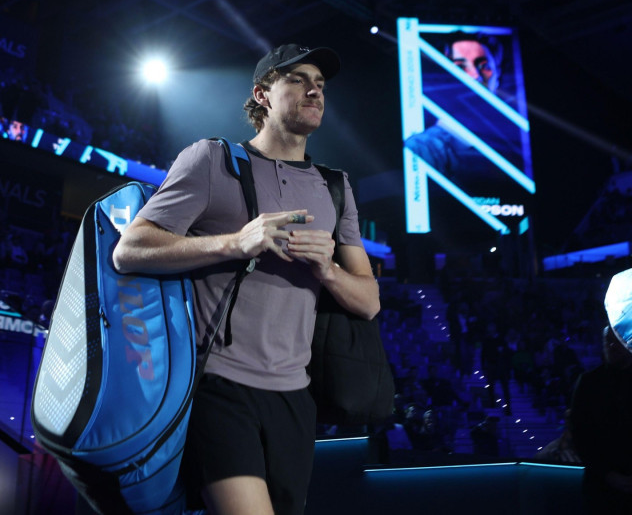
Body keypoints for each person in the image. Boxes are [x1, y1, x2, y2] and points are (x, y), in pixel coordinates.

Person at [113, 43, 380, 515]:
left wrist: (328, 270)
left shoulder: (334, 186)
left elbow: (368, 302)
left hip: (296, 396)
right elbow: (129, 250)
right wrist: (235, 242)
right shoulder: (211, 161)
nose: (314, 90)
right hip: (217, 384)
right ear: (261, 93)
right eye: (297, 79)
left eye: (319, 83)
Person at [403, 32, 503, 185]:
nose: (475, 75)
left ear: (498, 75)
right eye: (461, 66)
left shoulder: (511, 141)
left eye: (484, 66)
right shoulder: (421, 149)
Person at [570, 323, 632, 513]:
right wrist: (607, 474)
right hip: (600, 488)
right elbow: (580, 435)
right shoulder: (589, 383)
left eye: (616, 340)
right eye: (608, 341)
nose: (611, 346)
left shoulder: (589, 383)